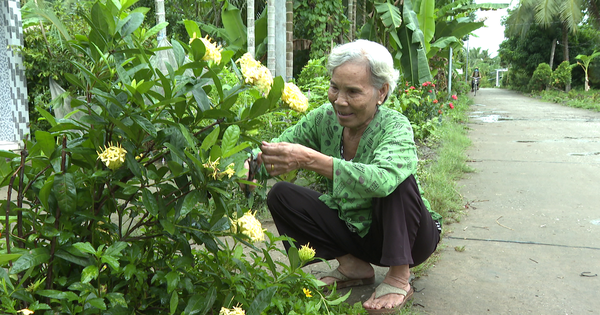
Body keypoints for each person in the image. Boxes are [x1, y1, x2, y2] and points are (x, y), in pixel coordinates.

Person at [245, 39, 441, 314]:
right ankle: (353, 266)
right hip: (353, 231)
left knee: (397, 181)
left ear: (381, 92)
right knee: (282, 196)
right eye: (335, 87)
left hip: (408, 237)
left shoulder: (395, 126)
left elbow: (383, 180)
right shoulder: (324, 118)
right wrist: (247, 165)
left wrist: (312, 160)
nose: (340, 100)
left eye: (353, 92)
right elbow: (280, 149)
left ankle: (399, 276)